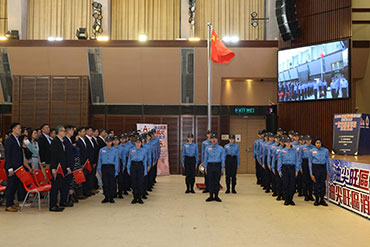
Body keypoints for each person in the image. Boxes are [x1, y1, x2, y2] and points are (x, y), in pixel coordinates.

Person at [4, 122, 23, 212]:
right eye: (18, 128)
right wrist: (9, 168)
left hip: (17, 167)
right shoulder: (9, 140)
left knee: (14, 186)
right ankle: (8, 205)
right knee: (10, 186)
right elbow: (8, 155)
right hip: (12, 167)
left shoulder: (17, 139)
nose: (20, 130)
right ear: (13, 129)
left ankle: (11, 203)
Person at [278, 137, 300, 206]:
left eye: (289, 142)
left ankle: (291, 198)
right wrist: (279, 170)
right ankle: (286, 199)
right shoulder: (282, 151)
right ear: (284, 143)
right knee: (285, 183)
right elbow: (279, 161)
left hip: (292, 168)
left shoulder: (295, 151)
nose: (288, 143)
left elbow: (297, 161)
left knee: (292, 184)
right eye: (287, 142)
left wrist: (297, 170)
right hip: (285, 168)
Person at [49, 126, 67, 212]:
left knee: (58, 186)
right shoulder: (55, 141)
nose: (64, 132)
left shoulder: (61, 141)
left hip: (61, 168)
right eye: (63, 131)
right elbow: (53, 156)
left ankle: (56, 203)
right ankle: (52, 205)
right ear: (58, 132)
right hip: (56, 168)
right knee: (55, 187)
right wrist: (53, 168)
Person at [203, 134, 225, 202]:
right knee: (210, 181)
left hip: (218, 166)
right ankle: (211, 196)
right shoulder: (207, 148)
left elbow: (223, 158)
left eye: (215, 138)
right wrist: (205, 167)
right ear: (210, 140)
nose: (214, 140)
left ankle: (216, 196)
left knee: (217, 181)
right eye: (212, 138)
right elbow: (205, 158)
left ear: (217, 140)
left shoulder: (221, 148)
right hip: (210, 166)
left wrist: (222, 167)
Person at [98, 136, 119, 204]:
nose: (108, 143)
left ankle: (111, 197)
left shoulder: (115, 150)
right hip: (104, 167)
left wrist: (116, 170)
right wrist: (99, 169)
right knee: (105, 182)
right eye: (107, 141)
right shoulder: (102, 150)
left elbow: (116, 161)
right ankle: (106, 196)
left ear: (112, 142)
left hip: (111, 167)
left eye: (110, 141)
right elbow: (100, 160)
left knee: (112, 183)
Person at [309, 138, 329, 206]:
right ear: (315, 144)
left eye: (319, 143)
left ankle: (322, 199)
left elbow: (327, 162)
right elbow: (309, 163)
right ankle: (317, 199)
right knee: (316, 184)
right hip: (315, 168)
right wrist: (311, 173)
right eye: (317, 143)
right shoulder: (311, 151)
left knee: (323, 184)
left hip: (323, 168)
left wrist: (327, 172)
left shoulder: (325, 150)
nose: (318, 144)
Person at [127, 137, 148, 204]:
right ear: (134, 143)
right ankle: (135, 197)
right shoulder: (131, 150)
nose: (138, 144)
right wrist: (128, 169)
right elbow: (129, 160)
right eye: (136, 142)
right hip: (133, 166)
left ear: (141, 143)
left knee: (140, 182)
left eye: (139, 142)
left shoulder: (144, 150)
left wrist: (145, 171)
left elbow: (145, 161)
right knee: (133, 182)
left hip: (140, 166)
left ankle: (139, 197)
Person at [61, 125, 75, 207]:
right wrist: (68, 167)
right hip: (67, 166)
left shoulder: (69, 140)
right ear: (68, 131)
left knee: (68, 184)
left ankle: (65, 200)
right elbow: (65, 155)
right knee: (65, 184)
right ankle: (63, 201)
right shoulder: (65, 140)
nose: (73, 132)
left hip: (71, 164)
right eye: (72, 130)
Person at [85, 127, 98, 195]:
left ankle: (91, 189)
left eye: (92, 131)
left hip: (93, 160)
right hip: (87, 161)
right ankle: (87, 190)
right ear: (86, 132)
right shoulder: (85, 139)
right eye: (90, 131)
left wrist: (94, 161)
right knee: (88, 176)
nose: (91, 132)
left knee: (92, 175)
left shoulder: (92, 139)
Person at [301, 135, 315, 201]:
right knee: (305, 180)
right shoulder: (302, 147)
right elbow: (299, 158)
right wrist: (300, 167)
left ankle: (310, 195)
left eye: (309, 140)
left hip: (311, 163)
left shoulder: (313, 147)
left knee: (311, 179)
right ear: (305, 140)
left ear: (311, 140)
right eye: (307, 140)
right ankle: (305, 195)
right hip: (305, 162)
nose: (308, 141)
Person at [271, 134, 283, 200]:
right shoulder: (276, 149)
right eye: (281, 141)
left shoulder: (286, 149)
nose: (282, 142)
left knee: (284, 181)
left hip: (284, 165)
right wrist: (273, 167)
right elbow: (273, 158)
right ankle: (279, 194)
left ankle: (284, 194)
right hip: (277, 164)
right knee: (278, 180)